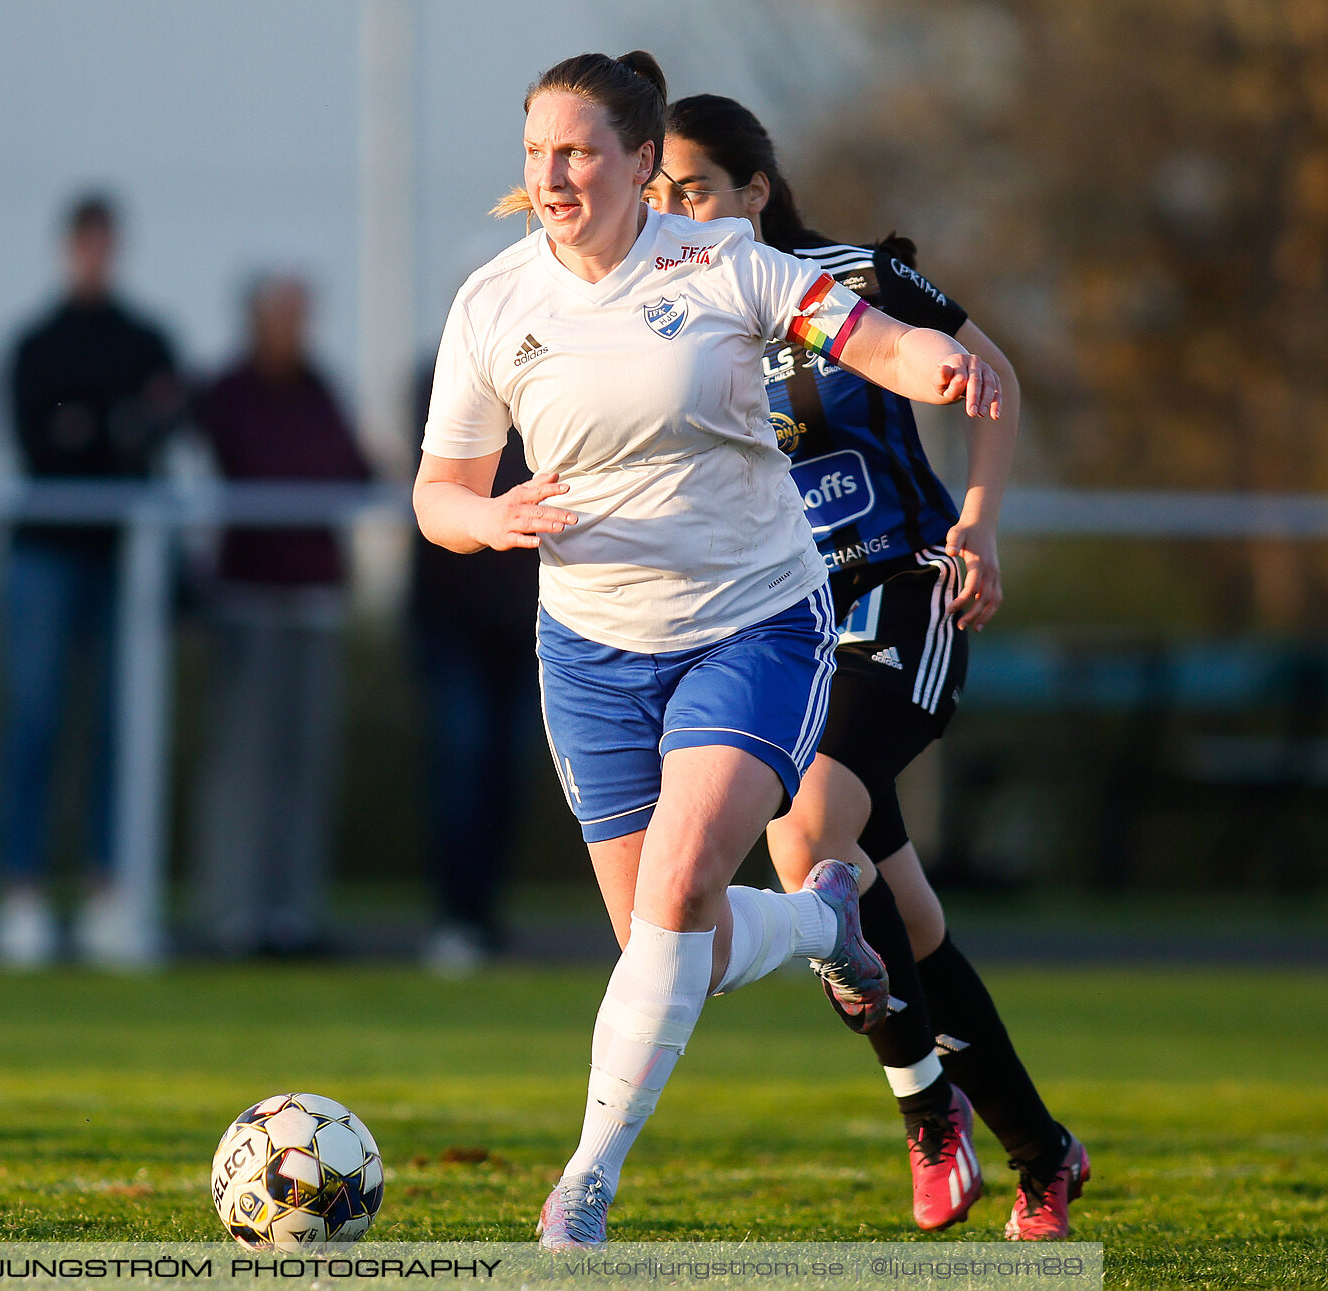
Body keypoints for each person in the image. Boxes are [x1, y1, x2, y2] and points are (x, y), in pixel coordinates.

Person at [416, 51, 1002, 1249]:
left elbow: (863, 335)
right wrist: (493, 520)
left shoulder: (723, 261)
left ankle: (585, 1181)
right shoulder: (492, 304)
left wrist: (926, 362)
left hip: (752, 626)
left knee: (686, 890)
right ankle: (826, 924)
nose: (551, 175)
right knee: (661, 946)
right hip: (589, 653)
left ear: (641, 163)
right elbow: (439, 492)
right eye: (535, 153)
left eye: (575, 152)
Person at [645, 94, 1088, 1241]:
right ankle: (1040, 1153)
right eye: (657, 194)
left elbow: (990, 376)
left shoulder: (850, 273)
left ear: (754, 189)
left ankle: (925, 1109)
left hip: (903, 589)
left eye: (690, 188)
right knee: (906, 914)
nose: (671, 212)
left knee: (804, 834)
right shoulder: (677, 309)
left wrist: (980, 524)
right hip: (789, 625)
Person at [0, 192, 180, 969]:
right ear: (69, 249)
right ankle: (24, 898)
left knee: (118, 729)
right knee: (34, 723)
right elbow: (42, 441)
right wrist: (110, 427)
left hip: (122, 557)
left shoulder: (144, 339)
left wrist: (95, 428)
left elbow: (157, 431)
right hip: (45, 553)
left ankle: (109, 893)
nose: (95, 257)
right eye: (85, 244)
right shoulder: (38, 343)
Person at [188, 274, 370, 958]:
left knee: (304, 762)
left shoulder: (321, 388)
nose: (295, 327)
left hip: (314, 602)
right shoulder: (227, 390)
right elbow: (253, 465)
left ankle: (292, 914)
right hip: (248, 601)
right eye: (283, 314)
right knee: (244, 763)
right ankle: (235, 912)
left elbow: (350, 468)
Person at [409, 358, 542, 976]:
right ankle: (458, 915)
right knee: (463, 763)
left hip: (531, 621)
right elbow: (433, 505)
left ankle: (484, 915)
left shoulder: (562, 378)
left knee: (505, 772)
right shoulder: (441, 386)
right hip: (457, 619)